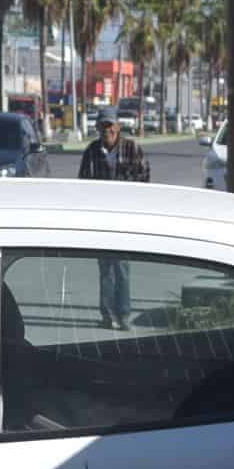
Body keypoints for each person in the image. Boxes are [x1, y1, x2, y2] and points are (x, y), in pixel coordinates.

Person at [79, 113, 150, 327]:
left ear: (118, 127)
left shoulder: (132, 148)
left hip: (125, 217)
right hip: (100, 218)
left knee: (122, 267)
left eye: (111, 126)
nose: (107, 131)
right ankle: (107, 315)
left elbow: (144, 179)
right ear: (98, 128)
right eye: (103, 127)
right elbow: (82, 183)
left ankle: (124, 314)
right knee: (105, 268)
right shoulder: (92, 151)